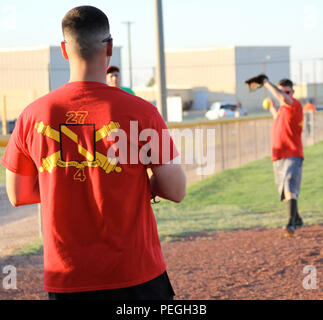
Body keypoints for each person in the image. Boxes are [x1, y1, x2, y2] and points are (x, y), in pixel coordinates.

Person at [1, 6, 186, 300]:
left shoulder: (32, 115)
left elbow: (18, 194)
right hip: (135, 272)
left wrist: (64, 184)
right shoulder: (141, 112)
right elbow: (175, 189)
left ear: (64, 49)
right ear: (110, 47)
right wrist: (134, 185)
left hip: (68, 276)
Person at [263, 78, 304, 237]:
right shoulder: (282, 110)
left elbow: (283, 99)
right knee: (284, 190)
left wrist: (266, 83)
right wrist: (273, 109)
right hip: (278, 155)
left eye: (286, 92)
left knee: (289, 185)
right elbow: (279, 121)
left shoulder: (295, 105)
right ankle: (298, 218)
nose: (283, 95)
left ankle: (290, 223)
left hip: (292, 153)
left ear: (292, 93)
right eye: (281, 91)